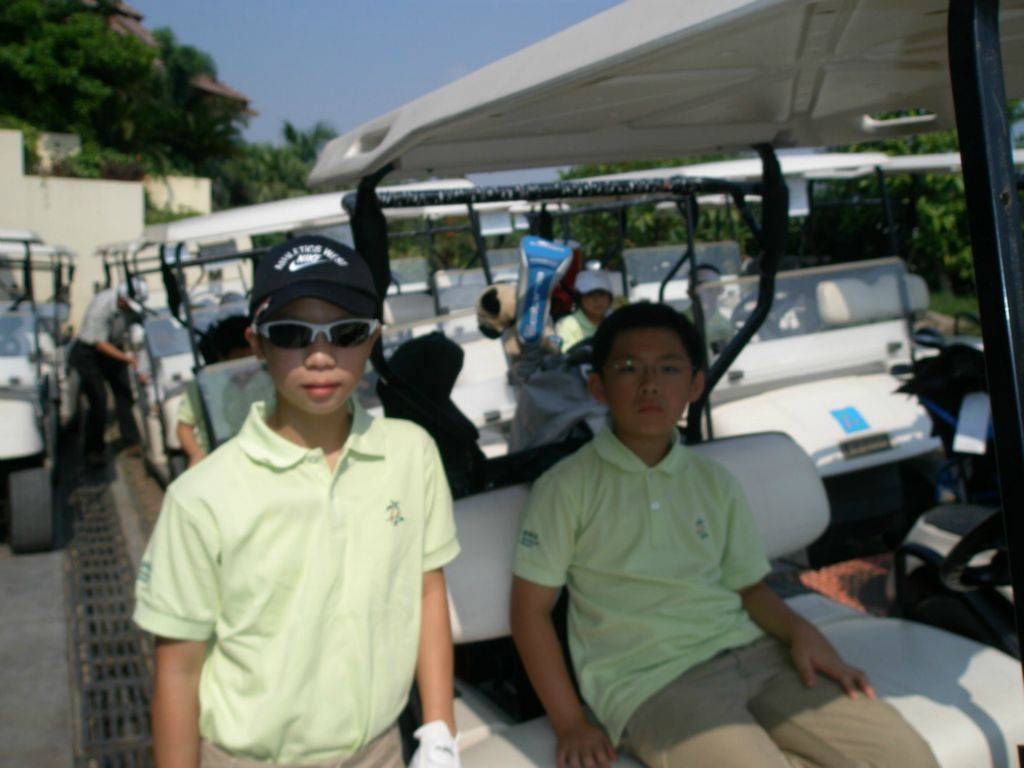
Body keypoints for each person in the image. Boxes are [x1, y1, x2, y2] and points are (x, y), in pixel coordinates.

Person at [510, 303, 938, 768]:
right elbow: (530, 612)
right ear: (598, 386)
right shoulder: (565, 488)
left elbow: (749, 588)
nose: (650, 384)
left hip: (759, 654)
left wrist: (803, 632)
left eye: (669, 368)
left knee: (906, 755)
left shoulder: (714, 481)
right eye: (629, 368)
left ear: (695, 385)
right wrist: (570, 722)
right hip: (650, 685)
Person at [134, 235, 463, 768]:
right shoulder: (200, 497)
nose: (320, 356)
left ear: (373, 338)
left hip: (380, 750)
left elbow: (427, 591)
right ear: (257, 345)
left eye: (346, 332)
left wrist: (440, 730)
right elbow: (177, 669)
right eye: (291, 334)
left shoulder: (412, 454)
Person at [70, 277, 148, 466]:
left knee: (124, 393)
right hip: (89, 352)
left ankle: (131, 441)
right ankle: (93, 450)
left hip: (114, 348)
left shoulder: (130, 307)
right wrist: (127, 359)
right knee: (99, 400)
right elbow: (98, 343)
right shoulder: (101, 306)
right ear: (121, 299)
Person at [175, 315, 256, 467]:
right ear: (222, 357)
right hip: (217, 458)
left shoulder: (269, 378)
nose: (249, 369)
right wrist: (197, 455)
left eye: (252, 360)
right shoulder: (202, 384)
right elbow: (184, 428)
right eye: (240, 360)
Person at [555, 269, 613, 351]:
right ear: (579, 299)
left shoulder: (615, 323)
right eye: (590, 295)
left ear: (609, 298)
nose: (597, 300)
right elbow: (568, 355)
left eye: (601, 295)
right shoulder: (567, 325)